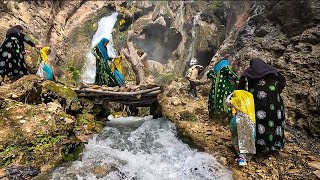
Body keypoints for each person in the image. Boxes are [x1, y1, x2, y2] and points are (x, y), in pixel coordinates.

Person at [238, 58, 286, 153]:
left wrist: (245, 95)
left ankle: (262, 145)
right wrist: (276, 91)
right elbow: (282, 81)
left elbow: (241, 87)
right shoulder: (272, 70)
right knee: (275, 121)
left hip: (259, 102)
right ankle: (274, 145)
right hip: (274, 101)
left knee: (261, 122)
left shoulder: (248, 72)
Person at [226, 90, 256, 166]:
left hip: (238, 121)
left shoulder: (237, 100)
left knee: (236, 137)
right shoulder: (249, 101)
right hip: (250, 121)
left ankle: (241, 157)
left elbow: (227, 102)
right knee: (248, 139)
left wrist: (230, 94)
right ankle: (247, 157)